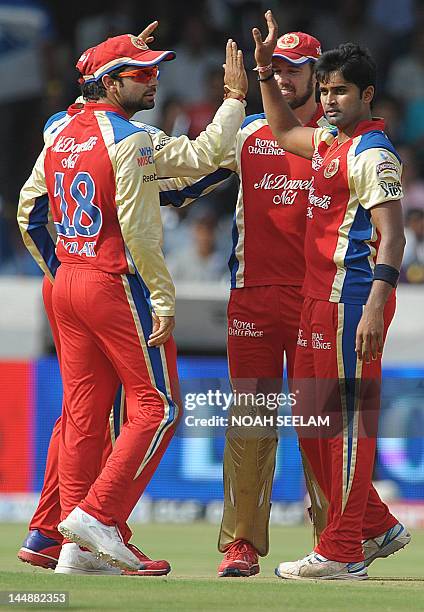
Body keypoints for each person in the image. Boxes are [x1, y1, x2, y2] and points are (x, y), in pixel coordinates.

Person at [17, 32, 247, 575]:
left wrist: (64, 267)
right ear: (110, 81)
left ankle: (67, 544)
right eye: (140, 72)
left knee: (83, 416)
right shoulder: (132, 139)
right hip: (113, 280)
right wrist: (235, 100)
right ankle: (99, 518)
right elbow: (145, 231)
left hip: (67, 280)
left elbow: (29, 212)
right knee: (159, 407)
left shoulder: (57, 128)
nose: (154, 78)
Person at [157, 30, 330, 578]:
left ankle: (335, 543)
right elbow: (184, 181)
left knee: (322, 422)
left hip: (316, 302)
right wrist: (130, 179)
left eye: (295, 68)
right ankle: (242, 546)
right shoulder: (248, 134)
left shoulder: (339, 140)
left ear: (317, 75)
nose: (283, 76)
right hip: (253, 301)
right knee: (250, 422)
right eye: (277, 67)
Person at [252, 11, 410, 580]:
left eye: (340, 90)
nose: (331, 99)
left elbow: (395, 237)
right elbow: (279, 131)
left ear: (366, 94)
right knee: (314, 423)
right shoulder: (326, 141)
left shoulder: (373, 154)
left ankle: (342, 551)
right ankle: (375, 525)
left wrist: (375, 306)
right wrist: (266, 71)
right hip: (318, 300)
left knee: (345, 424)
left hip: (354, 301)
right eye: (325, 90)